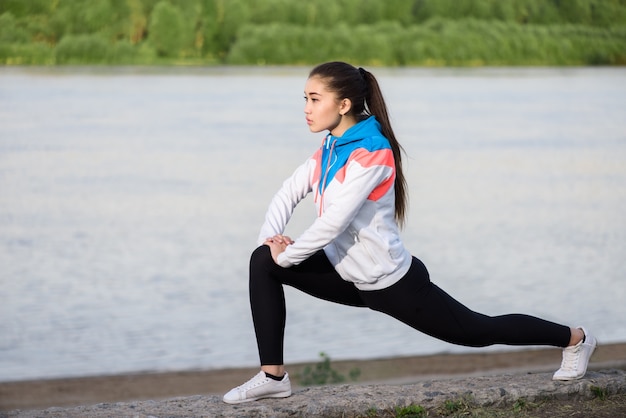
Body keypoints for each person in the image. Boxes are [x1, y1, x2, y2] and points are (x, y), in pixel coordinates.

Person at [222, 61, 597, 404]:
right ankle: (273, 377)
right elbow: (289, 191)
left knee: (478, 331)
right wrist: (271, 241)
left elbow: (333, 222)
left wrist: (288, 254)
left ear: (343, 105)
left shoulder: (372, 152)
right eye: (304, 98)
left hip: (393, 285)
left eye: (314, 99)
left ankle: (575, 338)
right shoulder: (331, 146)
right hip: (348, 276)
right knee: (262, 262)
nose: (305, 107)